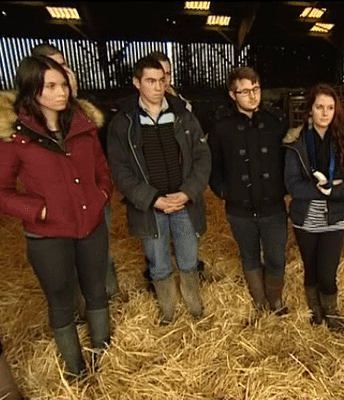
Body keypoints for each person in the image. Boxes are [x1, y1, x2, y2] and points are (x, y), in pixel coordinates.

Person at [0, 55, 112, 377]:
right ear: (33, 90)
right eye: (51, 86)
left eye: (63, 84)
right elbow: (3, 191)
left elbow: (102, 172)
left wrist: (101, 195)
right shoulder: (16, 138)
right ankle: (77, 371)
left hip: (91, 227)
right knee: (61, 301)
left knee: (96, 291)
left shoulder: (83, 127)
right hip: (48, 237)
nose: (61, 92)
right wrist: (37, 210)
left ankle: (105, 360)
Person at [107, 55, 211, 324]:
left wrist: (188, 192)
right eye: (150, 81)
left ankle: (194, 307)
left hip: (183, 202)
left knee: (189, 257)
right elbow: (120, 170)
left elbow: (203, 156)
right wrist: (152, 198)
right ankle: (168, 312)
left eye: (161, 80)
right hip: (150, 207)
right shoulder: (124, 124)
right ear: (136, 82)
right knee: (159, 261)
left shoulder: (183, 116)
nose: (157, 87)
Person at [31, 43, 120, 302]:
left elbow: (102, 153)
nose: (66, 72)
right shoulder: (30, 121)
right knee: (68, 255)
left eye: (66, 65)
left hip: (92, 193)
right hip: (59, 202)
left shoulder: (87, 111)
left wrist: (103, 190)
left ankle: (107, 298)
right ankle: (80, 305)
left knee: (101, 247)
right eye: (57, 67)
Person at [208, 67, 289, 314]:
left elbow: (289, 158)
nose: (253, 96)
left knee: (276, 256)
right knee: (250, 255)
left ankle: (275, 300)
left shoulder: (276, 122)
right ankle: (260, 302)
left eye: (256, 89)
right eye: (245, 91)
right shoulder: (222, 127)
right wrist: (224, 191)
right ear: (233, 95)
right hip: (240, 208)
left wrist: (284, 188)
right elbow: (213, 164)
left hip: (273, 205)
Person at [284, 83, 344, 332]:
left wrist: (335, 191)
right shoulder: (295, 144)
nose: (325, 113)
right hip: (305, 217)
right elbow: (292, 185)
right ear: (310, 110)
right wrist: (322, 189)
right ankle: (314, 311)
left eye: (330, 107)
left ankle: (331, 310)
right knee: (312, 267)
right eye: (319, 107)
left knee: (328, 272)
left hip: (333, 217)